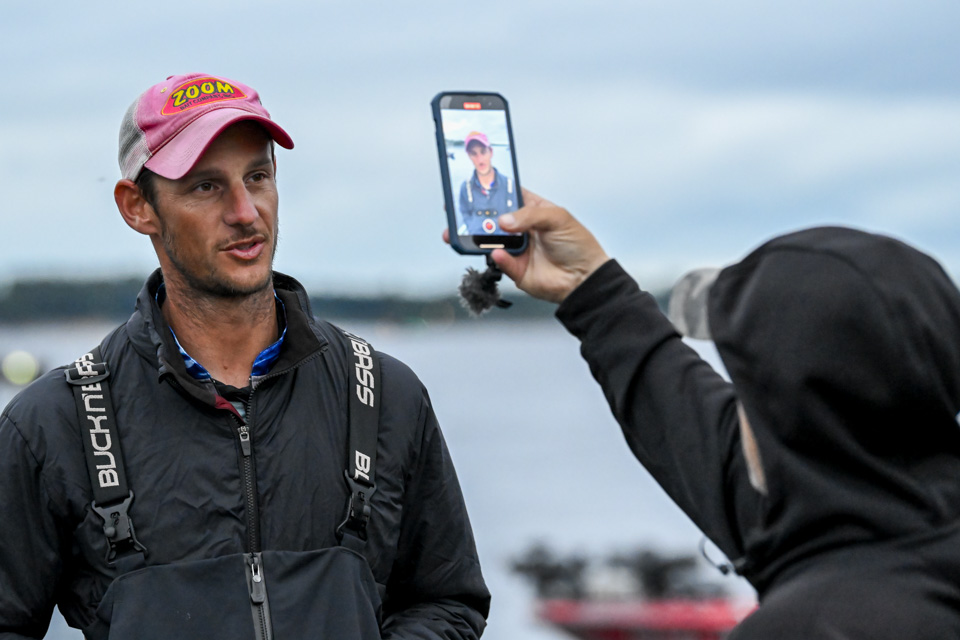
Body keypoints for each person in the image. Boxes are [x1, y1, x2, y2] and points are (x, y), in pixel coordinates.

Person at [0, 72, 489, 639]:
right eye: (206, 186)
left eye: (257, 176)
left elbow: (447, 600)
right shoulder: (51, 425)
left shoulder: (385, 394)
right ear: (137, 207)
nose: (245, 212)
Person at [474, 189, 960, 639]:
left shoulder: (808, 628)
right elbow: (703, 439)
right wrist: (592, 292)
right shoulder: (912, 520)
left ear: (779, 417)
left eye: (747, 384)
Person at [456, 131, 518, 235]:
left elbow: (516, 218)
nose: (480, 159)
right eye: (474, 154)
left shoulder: (510, 185)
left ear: (491, 152)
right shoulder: (465, 187)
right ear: (469, 156)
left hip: (505, 242)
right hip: (476, 241)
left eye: (483, 152)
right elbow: (465, 213)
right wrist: (473, 228)